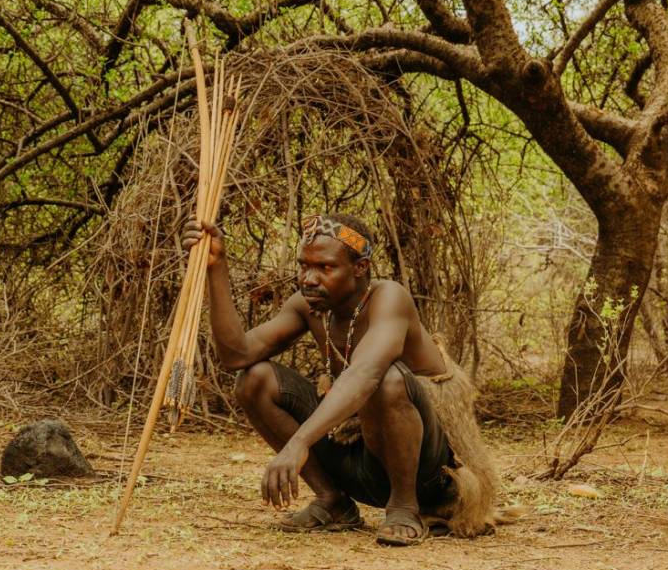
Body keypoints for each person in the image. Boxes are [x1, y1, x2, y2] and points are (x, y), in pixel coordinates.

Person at [182, 212, 498, 546]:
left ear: (360, 268)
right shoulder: (309, 306)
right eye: (304, 266)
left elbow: (365, 374)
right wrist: (216, 269)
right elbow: (237, 355)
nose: (309, 278)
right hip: (365, 462)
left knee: (387, 379)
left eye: (325, 267)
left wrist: (298, 444)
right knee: (254, 379)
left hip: (431, 476)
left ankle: (405, 507)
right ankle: (332, 502)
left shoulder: (389, 298)